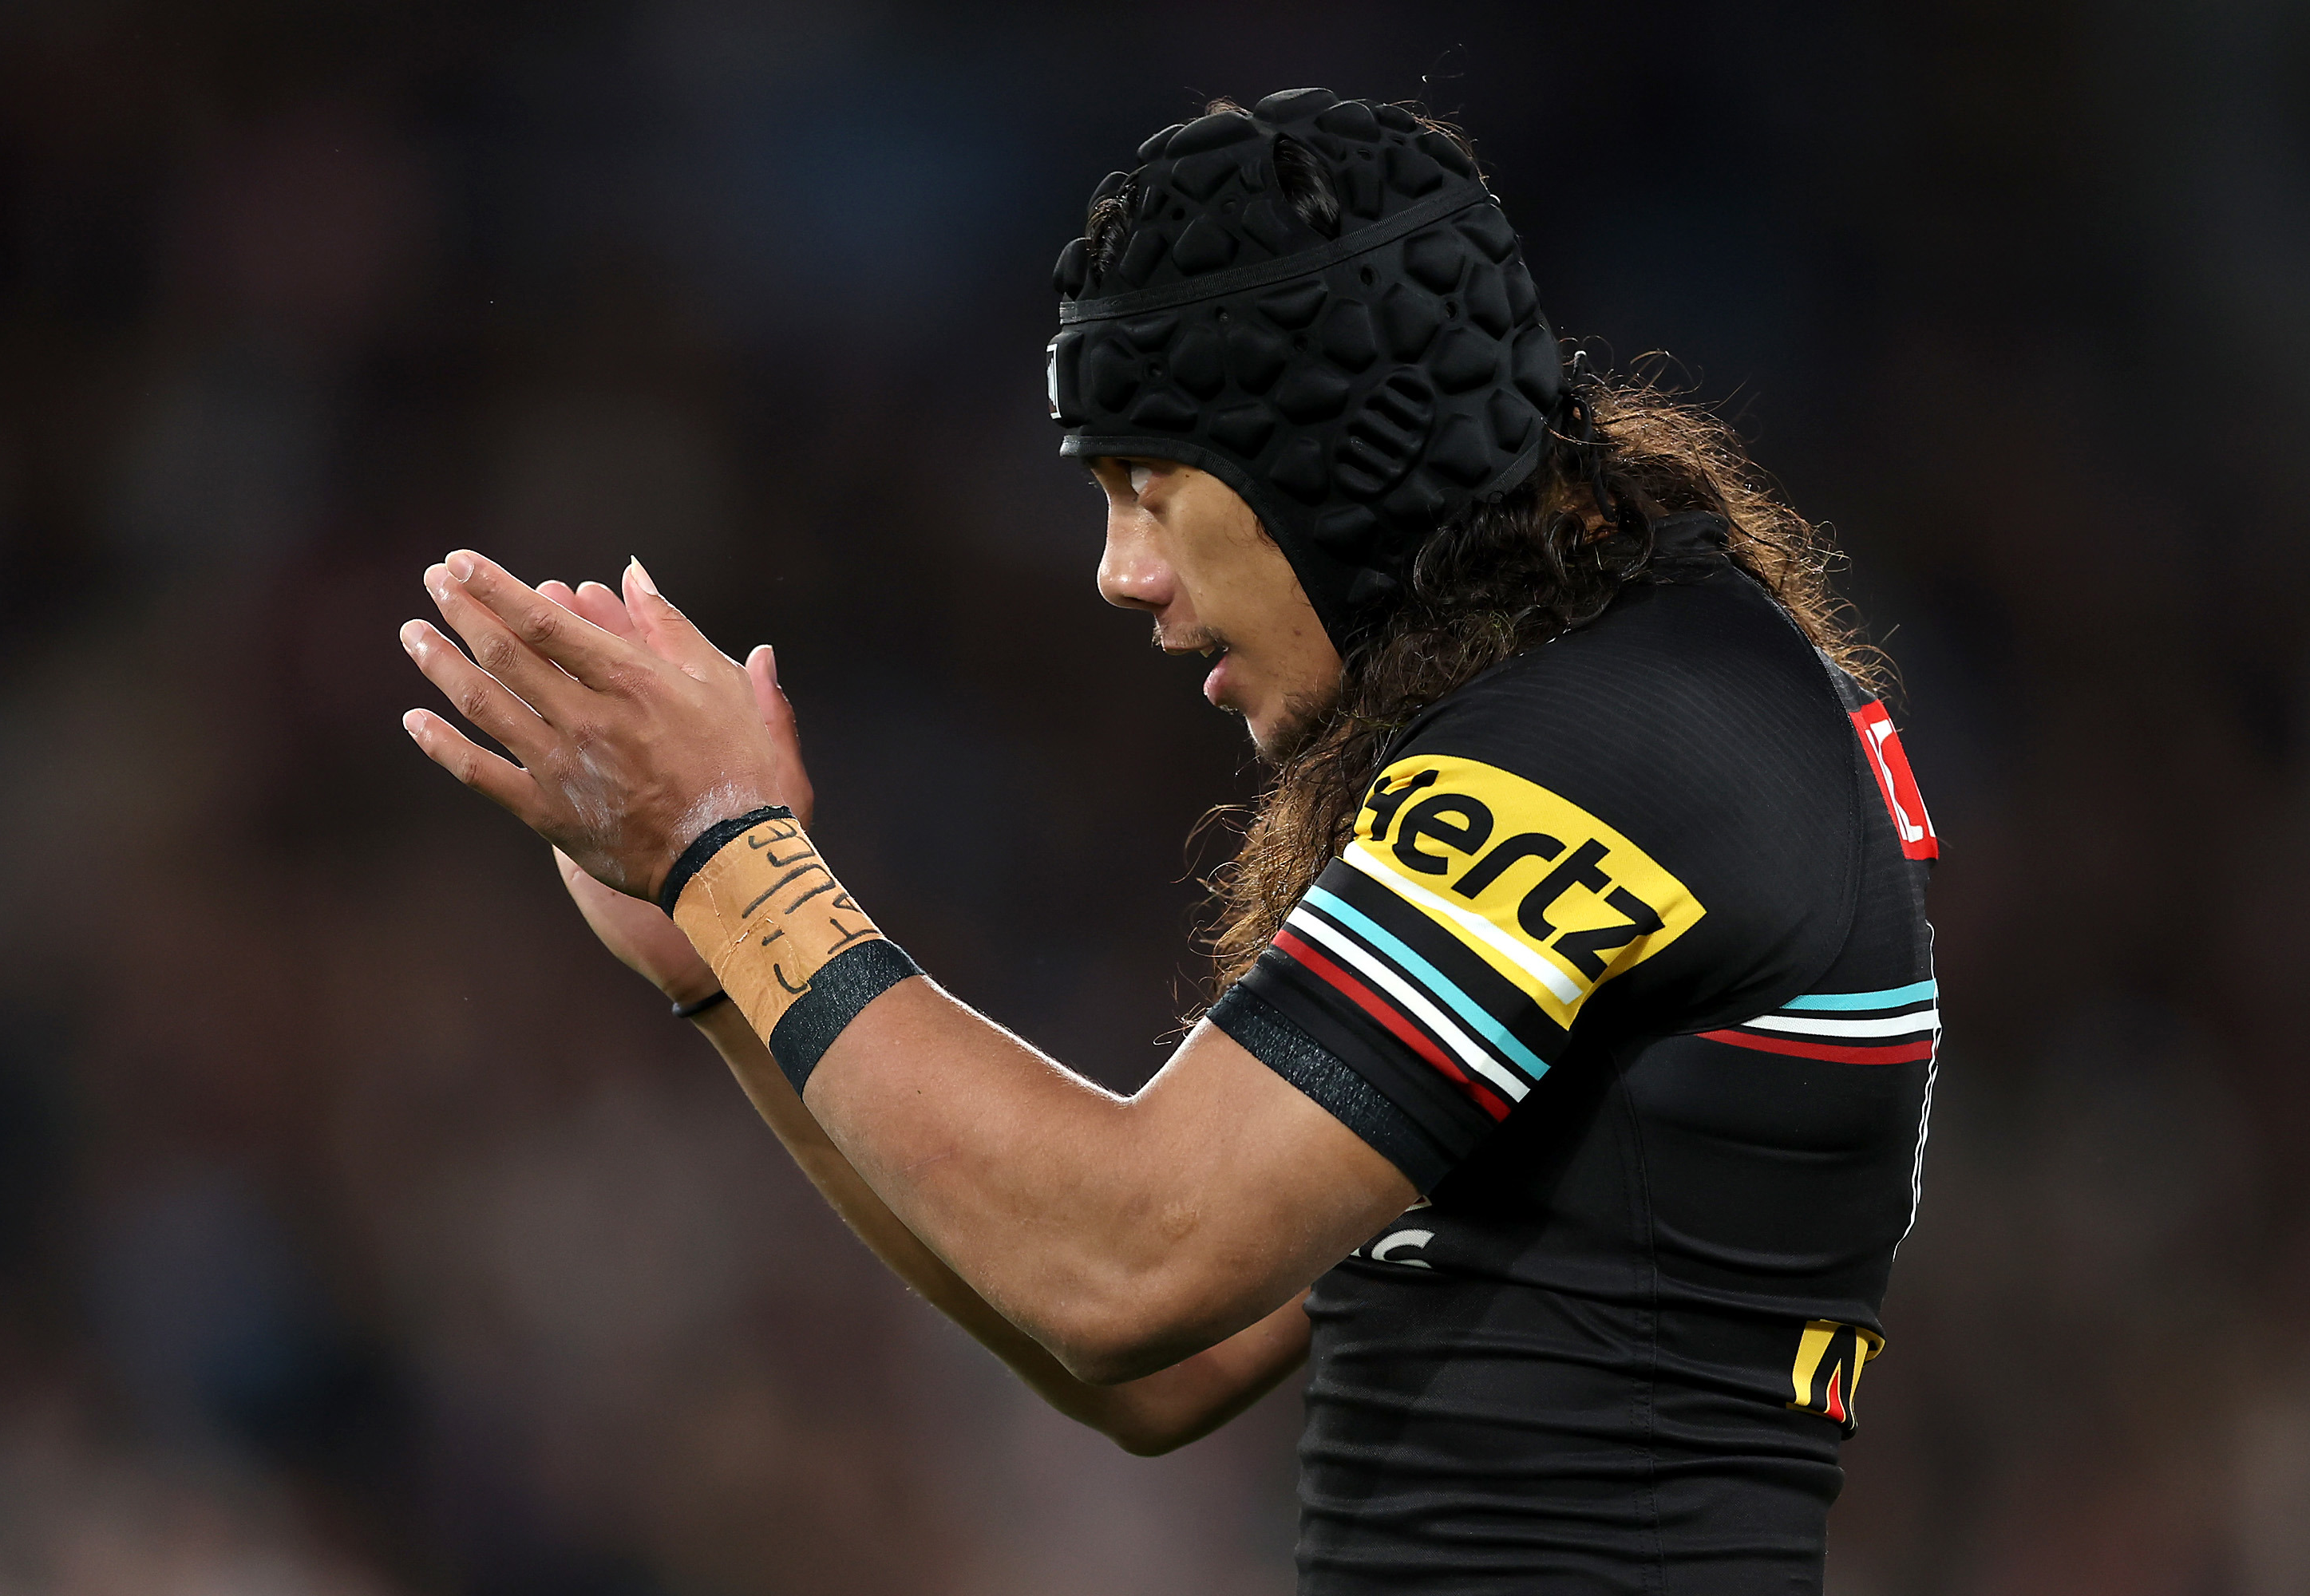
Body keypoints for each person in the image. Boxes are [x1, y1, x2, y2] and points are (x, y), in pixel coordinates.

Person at [397, 89, 1941, 1594]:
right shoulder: (1630, 701)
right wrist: (725, 963)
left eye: (1153, 485)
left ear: (1339, 454)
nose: (1120, 572)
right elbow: (1163, 1362)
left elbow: (1133, 1264)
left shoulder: (1617, 745)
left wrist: (731, 849)